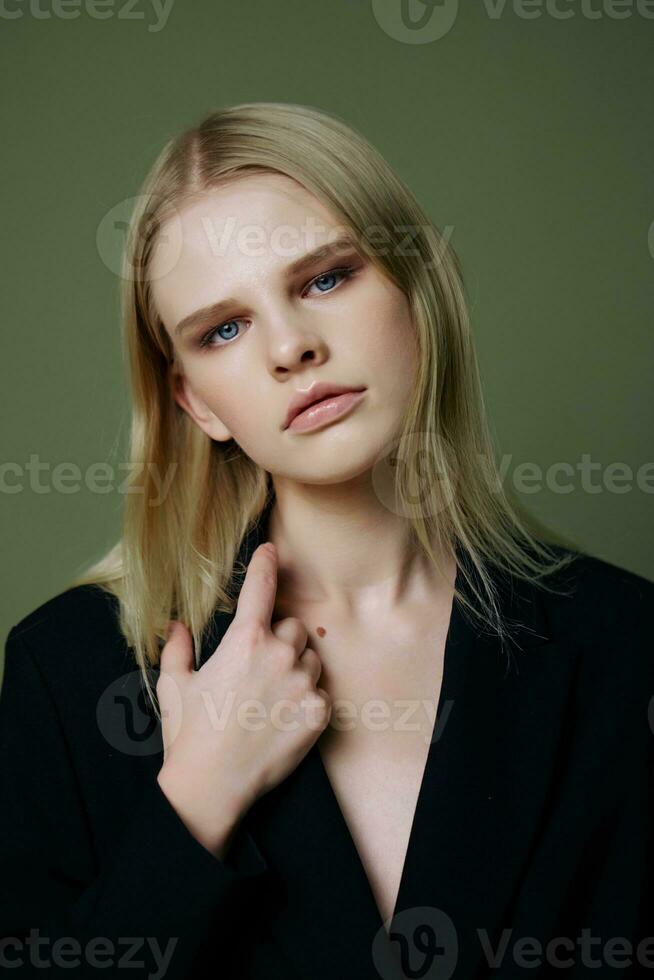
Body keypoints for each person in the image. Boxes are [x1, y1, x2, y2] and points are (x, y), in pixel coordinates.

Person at [1, 102, 652, 980]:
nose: (291, 347)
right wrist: (195, 803)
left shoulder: (623, 645)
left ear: (416, 289)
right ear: (195, 401)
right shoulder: (69, 667)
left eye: (325, 279)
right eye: (222, 330)